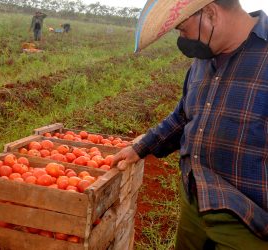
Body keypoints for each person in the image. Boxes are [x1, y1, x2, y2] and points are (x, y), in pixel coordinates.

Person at [113, 0, 268, 249]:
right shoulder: (204, 58)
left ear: (210, 13)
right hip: (194, 202)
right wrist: (140, 148)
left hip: (247, 223)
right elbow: (184, 115)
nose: (183, 39)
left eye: (183, 29)